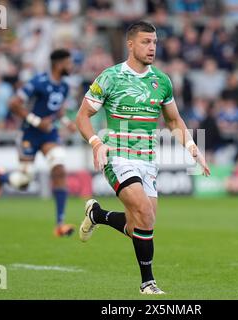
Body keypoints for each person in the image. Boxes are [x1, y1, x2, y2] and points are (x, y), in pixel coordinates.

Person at [75, 21, 210, 295]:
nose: (152, 47)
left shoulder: (162, 81)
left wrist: (193, 148)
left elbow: (174, 121)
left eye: (155, 42)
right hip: (118, 156)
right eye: (146, 42)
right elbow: (82, 117)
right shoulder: (110, 77)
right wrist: (96, 143)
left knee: (142, 224)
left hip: (147, 159)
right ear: (131, 44)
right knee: (144, 213)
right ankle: (148, 283)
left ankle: (97, 214)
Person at [0, 49, 76, 237]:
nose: (72, 67)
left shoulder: (65, 86)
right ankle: (1, 178)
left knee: (59, 169)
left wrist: (68, 123)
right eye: (69, 63)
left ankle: (60, 224)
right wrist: (37, 121)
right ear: (59, 64)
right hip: (29, 134)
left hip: (49, 135)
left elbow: (57, 109)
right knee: (24, 182)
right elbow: (13, 103)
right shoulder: (38, 82)